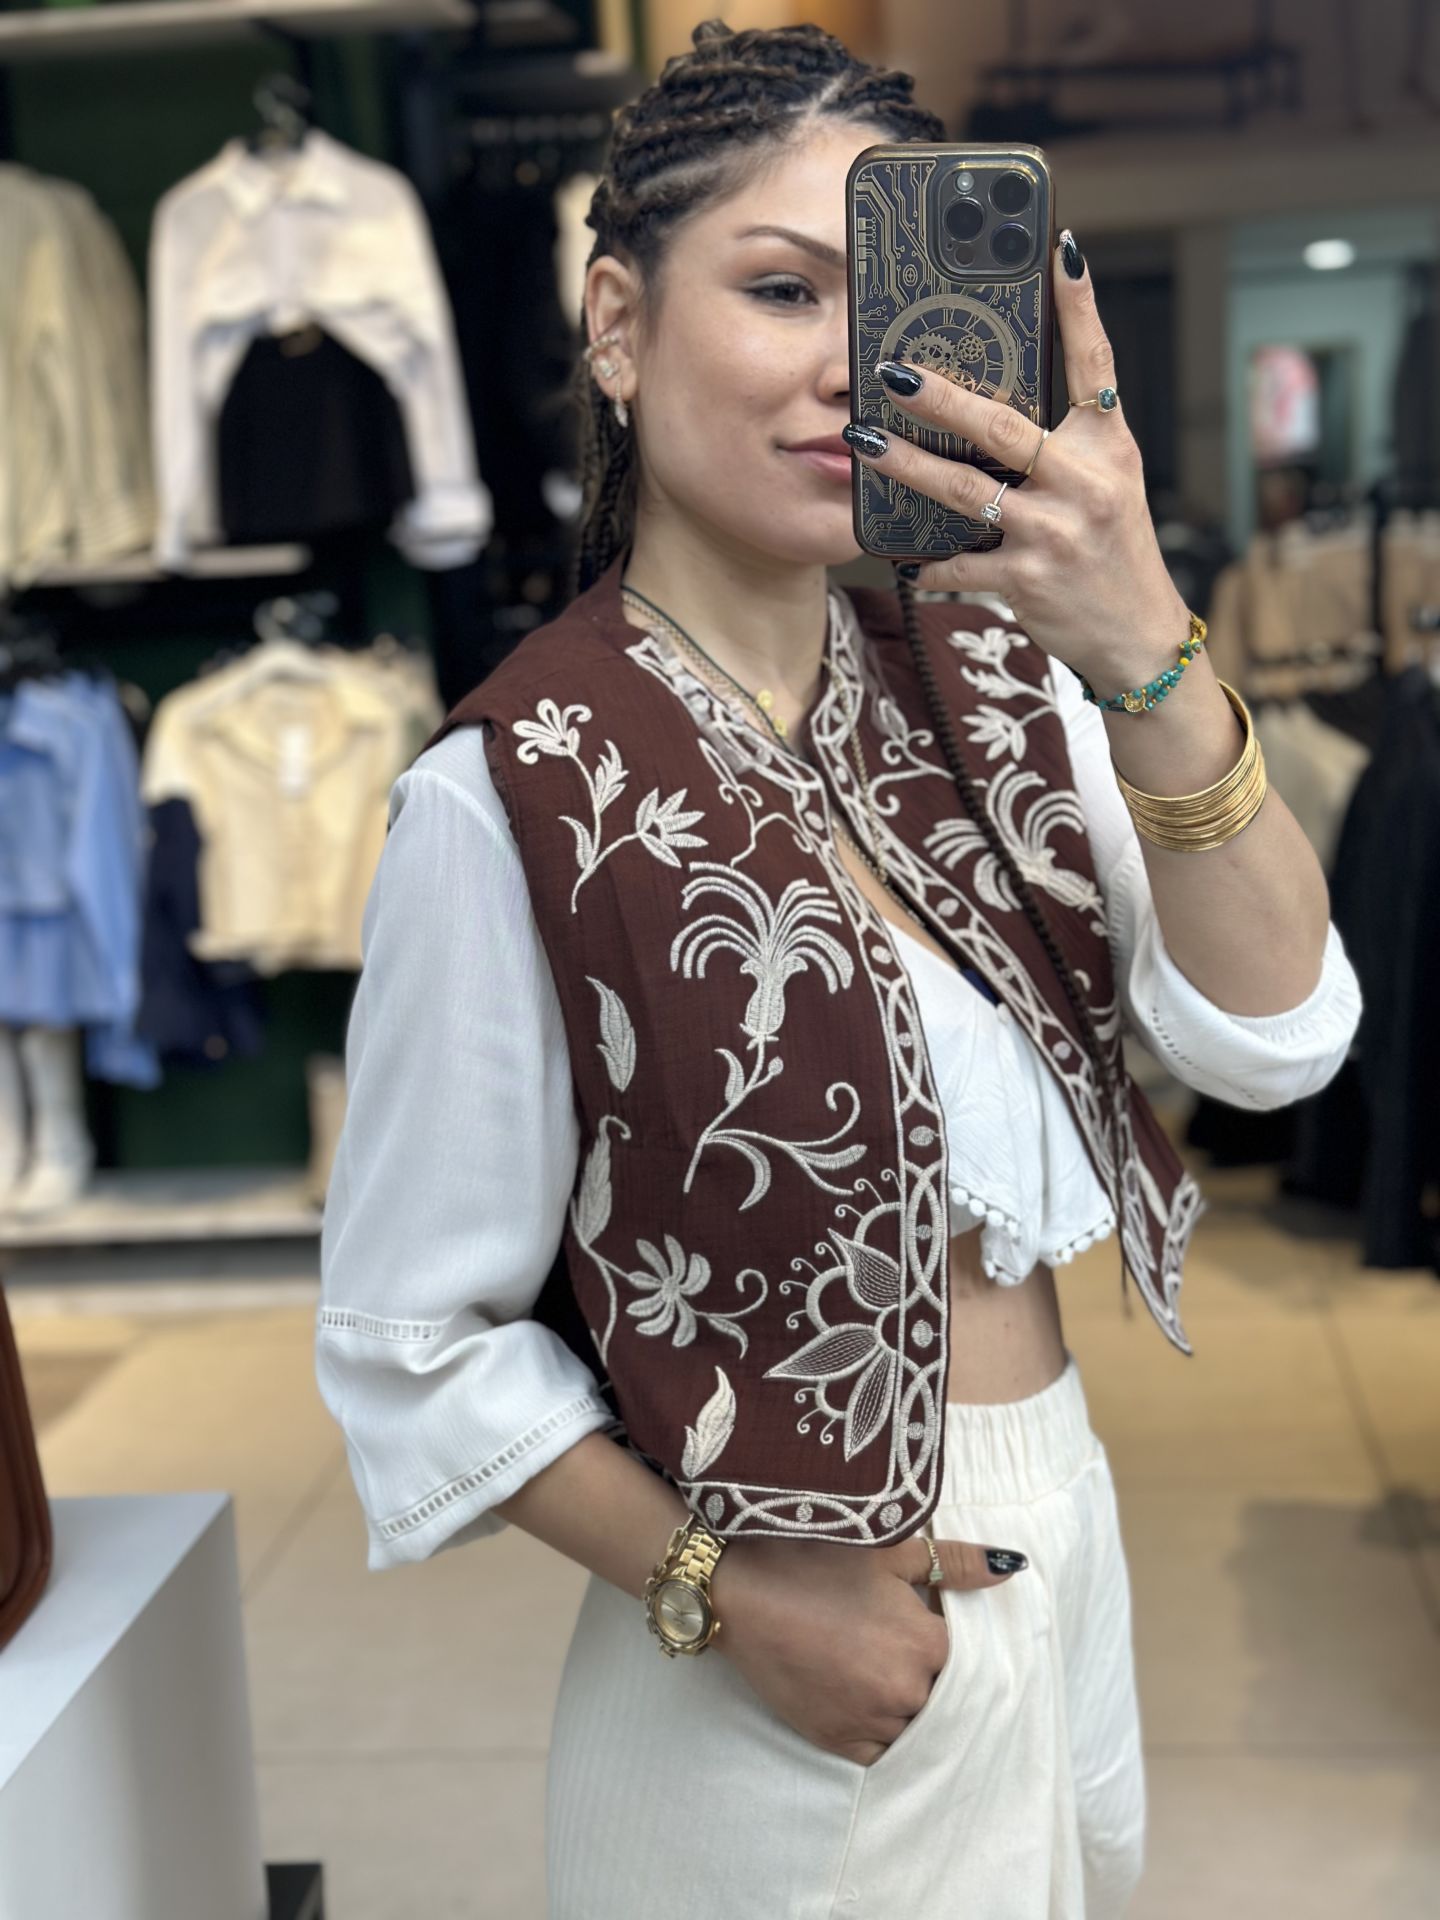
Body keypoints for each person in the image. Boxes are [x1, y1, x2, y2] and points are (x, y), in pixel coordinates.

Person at [315, 20, 1362, 1917]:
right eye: (782, 288)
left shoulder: (1005, 688)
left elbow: (1279, 1038)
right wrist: (716, 1591)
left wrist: (1144, 644)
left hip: (1064, 1533)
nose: (845, 364)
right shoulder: (518, 787)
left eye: (884, 300)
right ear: (618, 326)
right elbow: (410, 1338)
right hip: (770, 1647)